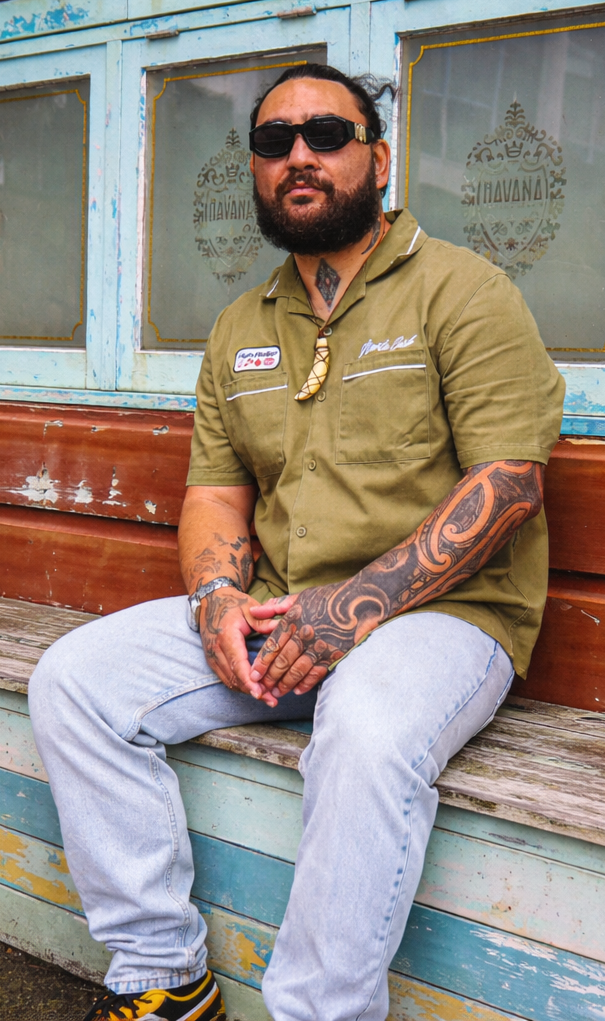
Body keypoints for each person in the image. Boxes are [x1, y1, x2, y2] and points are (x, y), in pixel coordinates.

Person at [29, 63, 565, 1021]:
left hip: (446, 619)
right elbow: (214, 496)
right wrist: (216, 601)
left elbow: (508, 488)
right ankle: (163, 974)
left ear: (380, 157)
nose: (300, 157)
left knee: (362, 727)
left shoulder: (464, 293)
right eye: (274, 143)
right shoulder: (242, 326)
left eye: (327, 134)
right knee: (75, 681)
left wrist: (348, 611)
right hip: (283, 612)